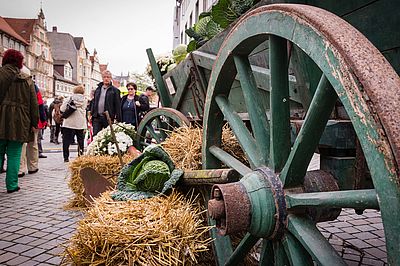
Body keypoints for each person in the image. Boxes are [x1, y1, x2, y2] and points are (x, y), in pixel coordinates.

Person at [0, 49, 38, 193]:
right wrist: (35, 123)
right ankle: (12, 185)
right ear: (20, 63)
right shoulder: (27, 80)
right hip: (20, 121)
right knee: (15, 153)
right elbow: (33, 104)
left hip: (1, 118)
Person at [19, 83, 48, 176]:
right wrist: (42, 120)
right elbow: (39, 105)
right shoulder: (33, 85)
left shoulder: (11, 82)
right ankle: (32, 166)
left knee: (21, 144)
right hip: (32, 118)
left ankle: (20, 169)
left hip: (18, 118)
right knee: (33, 143)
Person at [60, 85, 87, 162]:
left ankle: (66, 158)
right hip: (80, 123)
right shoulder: (85, 100)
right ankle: (80, 155)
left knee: (66, 141)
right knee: (80, 141)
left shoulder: (69, 98)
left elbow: (62, 109)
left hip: (69, 123)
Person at [90, 70, 121, 136]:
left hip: (108, 117)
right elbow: (94, 102)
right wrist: (92, 113)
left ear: (110, 78)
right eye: (104, 77)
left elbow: (118, 106)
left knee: (108, 136)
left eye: (108, 77)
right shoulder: (98, 89)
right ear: (102, 78)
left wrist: (118, 119)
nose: (106, 79)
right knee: (96, 136)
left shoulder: (115, 91)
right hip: (97, 117)